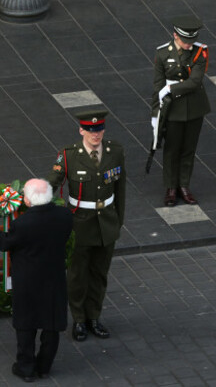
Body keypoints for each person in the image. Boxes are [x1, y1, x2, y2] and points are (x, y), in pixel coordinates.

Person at [0, 179, 73, 382]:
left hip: (28, 282)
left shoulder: (22, 224)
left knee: (26, 325)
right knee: (52, 325)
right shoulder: (65, 216)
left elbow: (5, 243)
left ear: (28, 201)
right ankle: (44, 366)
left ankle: (26, 368)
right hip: (54, 279)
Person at [46, 110, 126, 342]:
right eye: (91, 130)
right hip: (80, 223)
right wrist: (36, 191)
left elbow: (121, 190)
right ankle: (79, 319)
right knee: (77, 275)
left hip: (107, 224)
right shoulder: (69, 155)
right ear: (81, 130)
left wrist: (118, 221)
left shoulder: (115, 152)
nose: (96, 135)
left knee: (99, 274)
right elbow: (54, 179)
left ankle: (94, 317)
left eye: (99, 129)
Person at [152, 15, 210, 206]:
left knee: (188, 149)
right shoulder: (162, 54)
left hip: (194, 106)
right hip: (173, 109)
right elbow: (157, 87)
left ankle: (184, 185)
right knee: (171, 149)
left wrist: (171, 88)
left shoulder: (199, 52)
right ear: (175, 35)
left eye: (191, 40)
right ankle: (170, 187)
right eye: (185, 41)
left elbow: (195, 82)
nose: (188, 44)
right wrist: (155, 115)